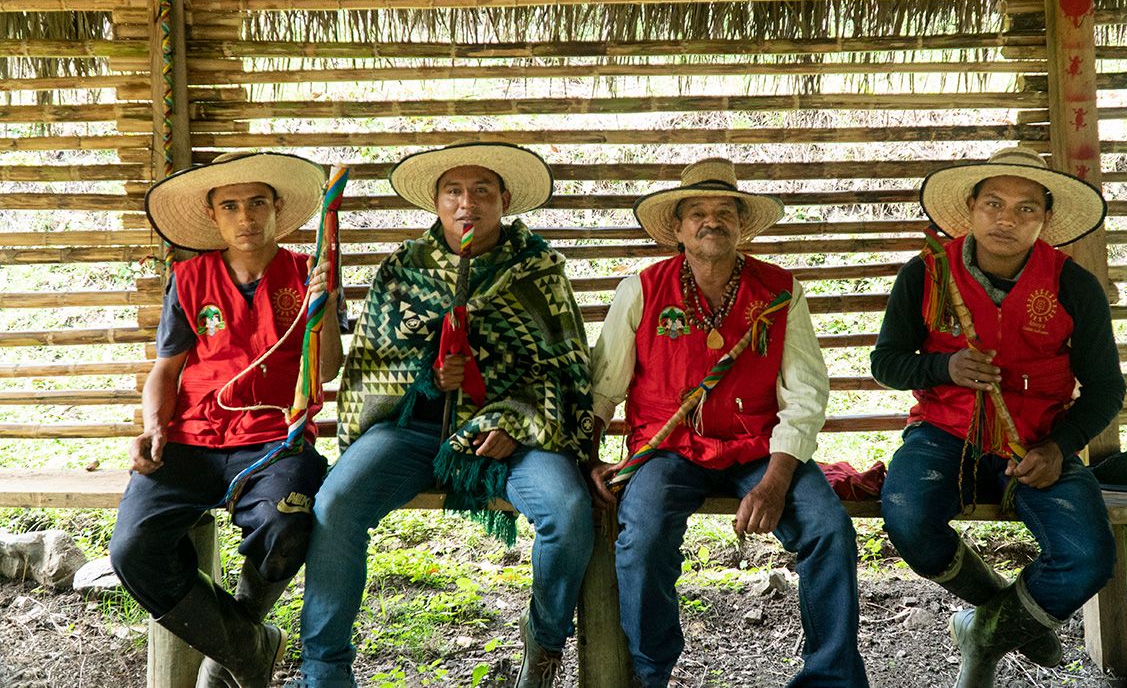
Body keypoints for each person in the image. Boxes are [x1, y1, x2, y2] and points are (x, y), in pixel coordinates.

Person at [291, 142, 595, 688]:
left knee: (568, 512)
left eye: (482, 190)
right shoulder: (403, 272)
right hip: (414, 433)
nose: (467, 203)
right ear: (436, 202)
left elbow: (562, 371)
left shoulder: (538, 273)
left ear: (504, 200)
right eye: (454, 191)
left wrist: (513, 420)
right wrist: (429, 377)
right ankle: (324, 669)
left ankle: (545, 644)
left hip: (512, 440)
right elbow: (373, 365)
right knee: (336, 503)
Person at [588, 158, 869, 687]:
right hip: (667, 448)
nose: (710, 221)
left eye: (723, 212)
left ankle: (832, 680)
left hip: (759, 448)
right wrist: (589, 458)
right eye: (697, 212)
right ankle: (650, 674)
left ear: (741, 225)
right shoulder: (643, 289)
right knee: (642, 537)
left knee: (828, 529)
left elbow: (805, 394)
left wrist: (776, 481)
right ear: (677, 227)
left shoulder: (780, 291)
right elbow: (603, 387)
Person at [872, 146, 1125, 685]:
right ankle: (1009, 616)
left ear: (1047, 219)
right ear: (970, 207)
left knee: (1088, 558)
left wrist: (1059, 447)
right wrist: (945, 367)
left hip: (1038, 443)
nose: (1006, 218)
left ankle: (984, 634)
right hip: (944, 432)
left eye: (1026, 208)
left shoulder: (1073, 284)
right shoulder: (925, 274)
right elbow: (886, 363)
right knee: (908, 519)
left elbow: (1106, 389)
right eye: (993, 203)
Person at [110, 152, 343, 688]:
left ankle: (234, 642)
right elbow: (165, 370)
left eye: (258, 203)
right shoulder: (190, 279)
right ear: (214, 216)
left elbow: (326, 369)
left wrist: (323, 305)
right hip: (191, 439)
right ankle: (246, 646)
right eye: (231, 206)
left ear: (278, 209)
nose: (246, 218)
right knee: (133, 550)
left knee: (288, 522)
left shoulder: (308, 273)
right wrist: (152, 425)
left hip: (275, 439)